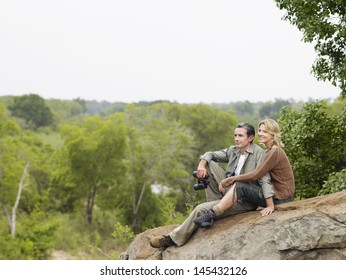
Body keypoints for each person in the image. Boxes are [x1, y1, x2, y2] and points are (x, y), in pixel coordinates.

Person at [149, 122, 273, 248]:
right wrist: (201, 165)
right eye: (235, 135)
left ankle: (172, 239)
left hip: (242, 198)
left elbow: (264, 179)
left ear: (250, 138)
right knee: (209, 163)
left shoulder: (259, 153)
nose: (236, 138)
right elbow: (210, 154)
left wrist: (270, 204)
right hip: (228, 190)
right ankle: (214, 208)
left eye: (240, 136)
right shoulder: (233, 151)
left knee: (199, 209)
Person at [193, 119, 295, 229]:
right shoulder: (268, 151)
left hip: (281, 198)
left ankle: (212, 214)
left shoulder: (275, 152)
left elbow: (257, 175)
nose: (260, 134)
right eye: (260, 130)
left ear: (273, 134)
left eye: (265, 132)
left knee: (239, 185)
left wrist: (231, 179)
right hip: (275, 195)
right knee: (239, 184)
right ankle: (216, 209)